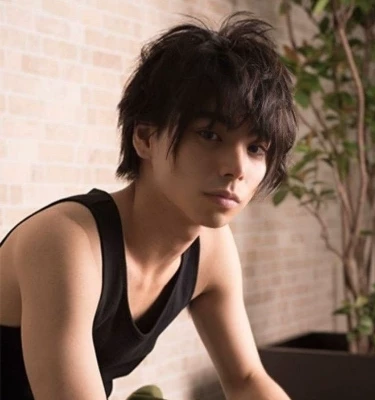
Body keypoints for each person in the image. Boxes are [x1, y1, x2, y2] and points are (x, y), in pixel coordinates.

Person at [0, 12, 296, 400]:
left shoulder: (210, 249)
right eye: (210, 135)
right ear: (145, 138)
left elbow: (246, 379)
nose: (237, 168)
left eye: (256, 148)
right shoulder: (67, 243)